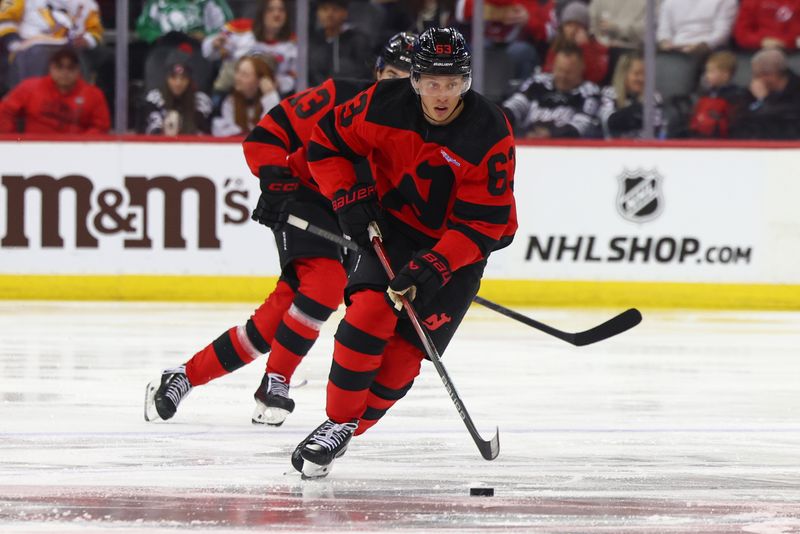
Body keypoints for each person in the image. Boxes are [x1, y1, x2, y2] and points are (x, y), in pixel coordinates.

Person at [143, 32, 418, 427]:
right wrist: (274, 178)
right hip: (307, 197)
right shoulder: (339, 96)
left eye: (407, 79)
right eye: (391, 74)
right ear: (377, 73)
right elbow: (270, 133)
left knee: (270, 324)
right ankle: (277, 381)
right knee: (326, 283)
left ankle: (183, 377)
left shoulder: (420, 128)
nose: (395, 87)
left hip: (350, 215)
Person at [294, 27, 517, 479]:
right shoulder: (381, 104)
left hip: (459, 251)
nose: (442, 94)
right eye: (432, 82)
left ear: (467, 81)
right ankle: (337, 423)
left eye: (452, 82)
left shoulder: (488, 129)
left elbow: (484, 224)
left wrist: (435, 265)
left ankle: (345, 427)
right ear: (414, 80)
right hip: (392, 232)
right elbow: (326, 144)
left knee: (398, 365)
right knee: (367, 318)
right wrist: (346, 197)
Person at [0, 45, 110, 133]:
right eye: (59, 66)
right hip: (33, 150)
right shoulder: (29, 87)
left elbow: (101, 127)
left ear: (78, 70)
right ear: (51, 68)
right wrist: (13, 141)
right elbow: (4, 112)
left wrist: (82, 145)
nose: (65, 72)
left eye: (70, 67)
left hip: (75, 153)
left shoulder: (93, 94)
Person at [503, 43, 601, 138]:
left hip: (563, 148)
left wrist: (551, 134)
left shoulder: (589, 92)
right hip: (526, 141)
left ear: (581, 68)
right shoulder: (537, 82)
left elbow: (582, 126)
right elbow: (515, 105)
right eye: (559, 70)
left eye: (568, 72)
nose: (563, 76)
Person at [202, 0, 298, 96]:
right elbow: (210, 54)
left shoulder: (293, 44)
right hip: (232, 94)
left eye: (281, 10)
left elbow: (295, 78)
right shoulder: (239, 30)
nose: (276, 14)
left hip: (269, 96)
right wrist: (214, 45)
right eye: (270, 10)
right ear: (261, 12)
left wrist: (279, 83)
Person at [731, 48, 800, 139]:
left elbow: (788, 118)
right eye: (755, 75)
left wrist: (765, 99)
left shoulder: (796, 89)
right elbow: (740, 119)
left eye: (760, 75)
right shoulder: (750, 93)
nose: (757, 80)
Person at [599, 50, 663, 139]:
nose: (641, 78)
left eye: (645, 74)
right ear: (624, 74)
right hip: (613, 149)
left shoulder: (654, 97)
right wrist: (637, 109)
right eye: (636, 74)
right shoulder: (610, 93)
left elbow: (654, 130)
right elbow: (609, 123)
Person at [211, 55, 280, 137]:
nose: (237, 78)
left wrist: (270, 97)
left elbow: (271, 130)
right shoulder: (229, 101)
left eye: (244, 75)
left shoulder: (271, 100)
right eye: (237, 72)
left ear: (260, 80)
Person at [137, 60, 213, 135]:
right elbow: (151, 131)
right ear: (167, 79)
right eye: (173, 78)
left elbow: (205, 133)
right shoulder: (154, 99)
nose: (178, 83)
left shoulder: (200, 101)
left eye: (183, 78)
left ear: (189, 80)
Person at [307, 0, 373, 86]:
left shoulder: (358, 40)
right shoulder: (312, 41)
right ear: (317, 13)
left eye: (335, 9)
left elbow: (364, 74)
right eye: (324, 9)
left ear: (345, 13)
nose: (329, 14)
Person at [543, 1, 607, 84]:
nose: (573, 30)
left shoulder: (596, 48)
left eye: (578, 25)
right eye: (569, 25)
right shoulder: (557, 45)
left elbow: (595, 77)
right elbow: (547, 72)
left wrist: (585, 47)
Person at [689, 51, 747, 138]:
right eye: (707, 71)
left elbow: (733, 121)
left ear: (725, 75)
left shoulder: (735, 95)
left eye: (712, 72)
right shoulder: (706, 93)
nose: (707, 76)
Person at [657, 0, 738, 55]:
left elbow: (722, 33)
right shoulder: (669, 2)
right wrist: (665, 43)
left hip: (709, 50)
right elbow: (664, 31)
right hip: (675, 50)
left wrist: (702, 46)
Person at [733, 0, 800, 51]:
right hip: (758, 50)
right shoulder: (751, 2)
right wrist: (761, 42)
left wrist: (791, 42)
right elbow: (742, 33)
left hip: (794, 51)